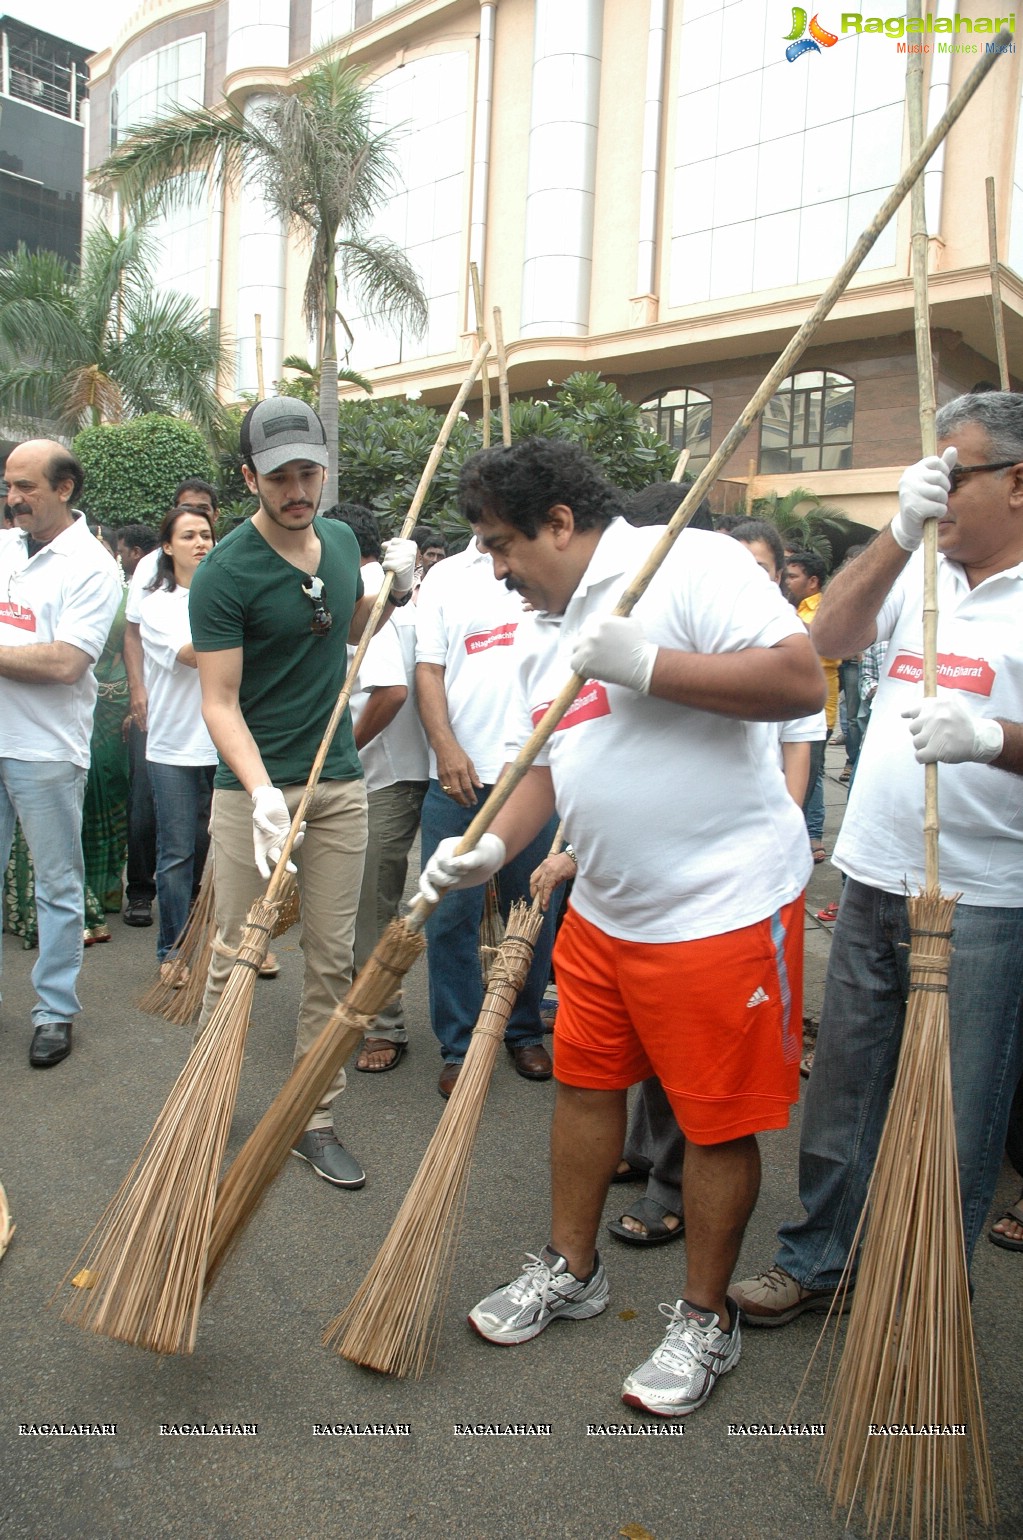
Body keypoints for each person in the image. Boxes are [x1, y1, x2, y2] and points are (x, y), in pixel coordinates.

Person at [420, 437, 824, 1417]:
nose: (500, 571)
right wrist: (489, 848)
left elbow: (800, 682)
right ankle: (573, 1263)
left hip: (721, 906)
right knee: (586, 1089)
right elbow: (544, 771)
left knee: (717, 1120)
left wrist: (649, 662)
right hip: (603, 905)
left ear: (560, 523)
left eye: (505, 545)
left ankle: (704, 1317)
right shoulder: (540, 629)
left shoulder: (690, 562)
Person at [732, 390, 1023, 1324]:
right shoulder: (917, 570)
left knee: (957, 1109)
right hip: (873, 870)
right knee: (848, 1085)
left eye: (955, 470)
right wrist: (898, 530)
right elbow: (826, 640)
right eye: (925, 470)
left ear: (1017, 483)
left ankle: (925, 1292)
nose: (935, 486)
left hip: (984, 894)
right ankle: (818, 1257)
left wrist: (988, 739)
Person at [188, 398, 417, 1189]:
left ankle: (311, 1115)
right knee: (237, 956)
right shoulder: (224, 571)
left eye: (307, 472)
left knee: (330, 960)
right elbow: (218, 699)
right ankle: (207, 1105)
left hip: (337, 784)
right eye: (278, 475)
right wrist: (257, 793)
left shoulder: (345, 539)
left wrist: (392, 592)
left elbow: (347, 628)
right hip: (253, 791)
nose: (296, 489)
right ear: (249, 477)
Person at [415, 520, 560, 1100]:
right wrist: (445, 746)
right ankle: (460, 1045)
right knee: (450, 915)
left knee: (535, 912)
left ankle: (522, 1030)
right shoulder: (446, 578)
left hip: (536, 775)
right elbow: (429, 669)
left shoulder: (542, 566)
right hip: (459, 778)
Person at [0, 440, 121, 1066]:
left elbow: (66, 662)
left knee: (56, 885)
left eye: (26, 487)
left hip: (45, 750)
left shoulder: (93, 566)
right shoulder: (4, 547)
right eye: (9, 486)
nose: (13, 498)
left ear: (65, 489)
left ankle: (54, 1011)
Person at [338, 506, 429, 1074]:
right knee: (348, 904)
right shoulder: (361, 589)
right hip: (366, 773)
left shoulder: (374, 595)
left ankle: (385, 1025)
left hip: (382, 777)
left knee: (371, 907)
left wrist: (342, 750)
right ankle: (356, 1008)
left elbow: (390, 692)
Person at [122, 494, 216, 929]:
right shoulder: (157, 603)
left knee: (223, 850)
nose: (200, 543)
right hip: (175, 746)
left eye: (206, 535)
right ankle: (173, 949)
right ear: (167, 546)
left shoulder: (227, 595)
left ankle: (221, 944)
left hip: (228, 743)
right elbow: (193, 653)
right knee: (176, 853)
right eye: (189, 536)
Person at [785, 550, 838, 863]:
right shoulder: (795, 608)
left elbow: (833, 651)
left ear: (813, 581)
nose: (787, 581)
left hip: (819, 707)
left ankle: (812, 836)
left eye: (793, 576)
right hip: (797, 704)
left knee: (812, 775)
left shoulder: (822, 610)